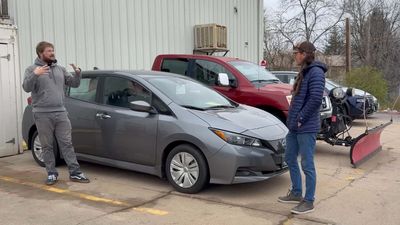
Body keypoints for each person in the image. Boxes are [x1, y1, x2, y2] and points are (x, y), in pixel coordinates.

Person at [22, 41, 90, 185]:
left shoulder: (60, 69)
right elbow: (26, 87)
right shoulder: (31, 69)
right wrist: (35, 74)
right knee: (47, 146)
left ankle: (75, 173)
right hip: (42, 114)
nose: (52, 53)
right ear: (41, 53)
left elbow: (74, 83)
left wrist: (78, 73)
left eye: (53, 50)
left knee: (67, 144)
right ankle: (52, 173)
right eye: (49, 51)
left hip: (61, 113)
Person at [278, 41, 326, 214]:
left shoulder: (316, 72)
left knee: (307, 164)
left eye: (296, 53)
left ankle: (309, 201)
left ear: (304, 54)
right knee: (290, 158)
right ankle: (297, 192)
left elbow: (315, 99)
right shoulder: (304, 72)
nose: (294, 56)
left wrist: (300, 118)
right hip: (295, 126)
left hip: (306, 127)